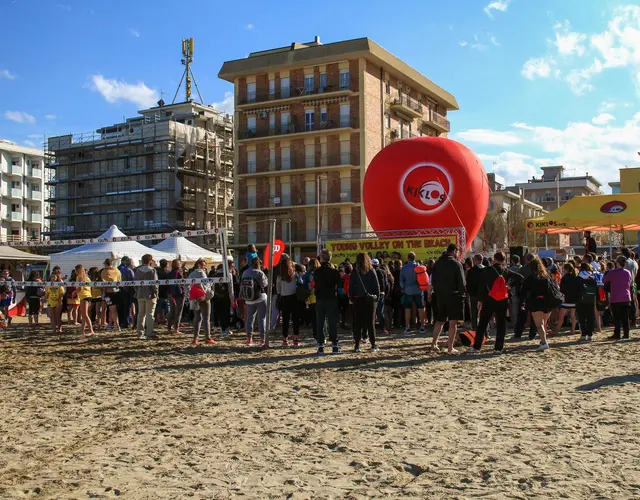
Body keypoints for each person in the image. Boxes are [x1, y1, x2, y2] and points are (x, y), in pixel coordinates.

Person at [468, 251, 523, 354]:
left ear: (494, 259)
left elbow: (481, 286)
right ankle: (498, 348)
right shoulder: (505, 270)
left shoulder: (487, 270)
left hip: (489, 299)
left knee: (483, 323)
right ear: (503, 260)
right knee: (501, 324)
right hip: (503, 300)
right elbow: (520, 278)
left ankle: (476, 347)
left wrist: (480, 300)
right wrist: (510, 286)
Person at [430, 244, 466, 354]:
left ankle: (434, 344)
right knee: (453, 323)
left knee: (440, 321)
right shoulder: (456, 264)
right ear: (454, 251)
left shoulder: (438, 264)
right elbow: (462, 282)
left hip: (440, 296)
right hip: (454, 296)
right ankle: (450, 347)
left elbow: (433, 281)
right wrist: (462, 294)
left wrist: (437, 292)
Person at [519, 257, 554, 352]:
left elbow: (523, 291)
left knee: (539, 324)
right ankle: (544, 340)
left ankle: (544, 342)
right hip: (548, 302)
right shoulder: (547, 276)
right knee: (544, 322)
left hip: (536, 302)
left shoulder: (531, 278)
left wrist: (522, 303)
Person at [349, 252, 381, 352]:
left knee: (358, 323)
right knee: (370, 323)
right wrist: (377, 297)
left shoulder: (355, 272)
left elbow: (351, 287)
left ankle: (357, 346)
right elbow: (377, 286)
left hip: (358, 298)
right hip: (370, 299)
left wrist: (351, 298)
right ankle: (373, 344)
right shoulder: (371, 270)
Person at [313, 249, 341, 354]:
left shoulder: (317, 271)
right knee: (332, 322)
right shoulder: (334, 271)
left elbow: (316, 284)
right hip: (331, 298)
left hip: (320, 298)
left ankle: (321, 345)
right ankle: (334, 345)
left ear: (323, 258)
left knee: (320, 322)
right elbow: (339, 285)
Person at [603, 255, 633, 340]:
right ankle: (626, 334)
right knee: (625, 317)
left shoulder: (613, 273)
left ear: (617, 263)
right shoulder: (627, 272)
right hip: (626, 297)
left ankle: (617, 334)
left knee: (617, 318)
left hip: (616, 297)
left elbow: (604, 280)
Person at [241, 256, 268, 347]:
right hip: (260, 298)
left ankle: (249, 339)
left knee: (249, 319)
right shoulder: (259, 273)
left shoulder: (245, 272)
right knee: (261, 319)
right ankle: (262, 339)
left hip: (248, 299)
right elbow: (264, 284)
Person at [276, 254, 302, 347]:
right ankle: (296, 340)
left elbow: (278, 290)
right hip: (294, 298)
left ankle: (285, 339)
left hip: (284, 298)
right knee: (295, 319)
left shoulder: (279, 277)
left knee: (285, 320)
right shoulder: (295, 274)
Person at [188, 258, 214, 345]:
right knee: (206, 318)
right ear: (199, 264)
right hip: (203, 297)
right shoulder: (202, 273)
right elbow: (206, 286)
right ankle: (208, 337)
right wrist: (206, 295)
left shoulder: (191, 274)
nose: (204, 266)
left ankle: (195, 338)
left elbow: (187, 285)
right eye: (203, 265)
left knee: (197, 318)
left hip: (195, 297)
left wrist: (190, 295)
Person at [400, 252, 426, 334]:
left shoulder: (404, 268)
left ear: (408, 258)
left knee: (407, 309)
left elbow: (401, 281)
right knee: (421, 308)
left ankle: (407, 327)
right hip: (418, 290)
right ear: (415, 258)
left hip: (408, 290)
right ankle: (422, 326)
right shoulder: (419, 267)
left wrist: (403, 288)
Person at [134, 254, 159, 340]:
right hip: (150, 294)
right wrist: (156, 293)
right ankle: (149, 332)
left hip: (140, 294)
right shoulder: (152, 271)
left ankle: (139, 332)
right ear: (150, 261)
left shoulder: (137, 271)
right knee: (150, 314)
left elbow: (135, 283)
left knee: (141, 314)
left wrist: (137, 291)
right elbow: (155, 284)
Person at [553, 263, 579, 336]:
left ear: (566, 269)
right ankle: (573, 330)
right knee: (573, 316)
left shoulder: (565, 278)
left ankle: (557, 331)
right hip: (574, 300)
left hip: (566, 300)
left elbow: (561, 290)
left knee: (561, 317)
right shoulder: (575, 277)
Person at [576, 263, 598, 342]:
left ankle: (583, 334)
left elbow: (576, 289)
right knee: (590, 317)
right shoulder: (592, 277)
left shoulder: (578, 278)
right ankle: (590, 334)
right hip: (591, 299)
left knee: (581, 317)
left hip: (580, 299)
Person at [101, 258, 122, 331]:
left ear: (106, 264)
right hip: (117, 291)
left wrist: (103, 293)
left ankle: (117, 326)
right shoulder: (117, 270)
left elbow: (104, 283)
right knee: (112, 309)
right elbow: (119, 281)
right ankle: (110, 324)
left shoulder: (104, 271)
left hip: (109, 292)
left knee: (113, 310)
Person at [465, 254, 485, 330]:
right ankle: (485, 331)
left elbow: (468, 283)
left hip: (473, 294)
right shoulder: (486, 269)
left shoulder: (471, 271)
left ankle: (474, 329)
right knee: (484, 313)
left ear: (476, 260)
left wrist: (468, 293)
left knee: (474, 313)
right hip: (484, 295)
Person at [212, 264, 233, 338]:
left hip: (217, 297)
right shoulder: (229, 275)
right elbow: (231, 288)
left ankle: (223, 329)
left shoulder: (215, 275)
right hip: (226, 297)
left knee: (220, 314)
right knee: (226, 313)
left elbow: (213, 287)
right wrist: (232, 298)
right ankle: (225, 329)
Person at [74, 264, 94, 338]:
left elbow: (81, 288)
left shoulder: (80, 277)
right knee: (84, 315)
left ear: (77, 270)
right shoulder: (87, 278)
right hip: (87, 295)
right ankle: (82, 331)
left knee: (85, 314)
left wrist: (74, 292)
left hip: (84, 296)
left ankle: (91, 330)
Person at [167, 259, 185, 335]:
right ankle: (176, 328)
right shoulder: (178, 273)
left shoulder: (169, 273)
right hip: (178, 294)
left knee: (172, 311)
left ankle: (169, 327)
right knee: (178, 312)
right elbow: (180, 284)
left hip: (171, 294)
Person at [372, 259, 389, 334]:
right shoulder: (383, 272)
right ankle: (383, 328)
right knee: (380, 312)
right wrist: (386, 294)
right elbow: (386, 284)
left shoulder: (370, 272)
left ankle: (372, 328)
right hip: (381, 293)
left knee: (372, 312)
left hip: (372, 294)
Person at [303, 259, 319, 342]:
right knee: (321, 318)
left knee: (314, 318)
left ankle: (316, 336)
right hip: (320, 297)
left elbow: (304, 285)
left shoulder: (307, 274)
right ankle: (322, 335)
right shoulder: (320, 273)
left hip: (311, 298)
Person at [117, 256, 135, 329]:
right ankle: (126, 322)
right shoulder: (128, 270)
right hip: (127, 290)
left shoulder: (118, 268)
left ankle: (121, 321)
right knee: (127, 307)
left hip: (120, 289)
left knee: (121, 306)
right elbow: (133, 280)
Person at [155, 259, 171, 327]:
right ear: (166, 264)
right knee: (167, 307)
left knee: (159, 308)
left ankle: (159, 320)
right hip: (166, 292)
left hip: (159, 291)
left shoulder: (156, 272)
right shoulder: (167, 272)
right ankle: (164, 320)